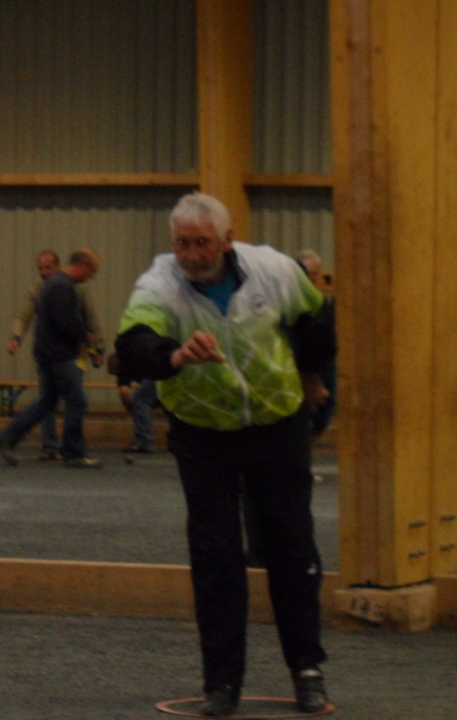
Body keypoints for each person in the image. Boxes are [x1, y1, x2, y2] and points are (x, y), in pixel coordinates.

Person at [115, 192, 335, 716]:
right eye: (183, 243)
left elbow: (317, 318)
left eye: (203, 243)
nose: (192, 254)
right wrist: (173, 355)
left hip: (276, 424)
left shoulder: (275, 270)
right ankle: (221, 684)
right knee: (215, 557)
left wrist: (311, 378)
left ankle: (307, 670)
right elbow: (132, 344)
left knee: (292, 547)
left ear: (227, 240)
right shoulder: (158, 284)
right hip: (202, 431)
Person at [0, 250, 102, 469]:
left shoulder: (56, 286)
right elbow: (67, 322)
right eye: (91, 271)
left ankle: (7, 436)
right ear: (81, 265)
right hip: (60, 355)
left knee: (47, 402)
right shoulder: (62, 286)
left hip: (45, 354)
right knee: (77, 401)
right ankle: (73, 453)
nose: (91, 276)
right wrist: (88, 339)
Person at [6, 249, 63, 460]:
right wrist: (16, 337)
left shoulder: (70, 287)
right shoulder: (37, 290)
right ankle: (50, 446)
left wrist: (96, 346)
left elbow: (86, 315)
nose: (44, 272)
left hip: (68, 355)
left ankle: (72, 447)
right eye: (40, 268)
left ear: (57, 266)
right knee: (48, 400)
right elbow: (24, 316)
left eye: (48, 267)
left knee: (73, 401)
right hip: (46, 353)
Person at [296, 249, 337, 441]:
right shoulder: (293, 301)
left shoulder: (323, 301)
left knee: (328, 402)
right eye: (307, 274)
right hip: (303, 363)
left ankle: (314, 435)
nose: (311, 278)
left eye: (314, 274)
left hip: (325, 362)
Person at [108, 353, 158, 454]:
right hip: (166, 370)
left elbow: (124, 393)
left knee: (140, 400)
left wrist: (132, 411)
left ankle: (144, 442)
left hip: (157, 373)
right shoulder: (134, 358)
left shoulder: (123, 366)